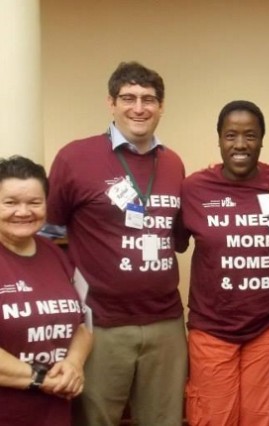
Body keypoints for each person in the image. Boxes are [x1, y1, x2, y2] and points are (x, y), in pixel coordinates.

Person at [47, 61, 187, 425]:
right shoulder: (75, 158)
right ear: (111, 103)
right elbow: (47, 235)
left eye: (149, 99)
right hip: (101, 325)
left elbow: (170, 232)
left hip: (166, 322)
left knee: (165, 419)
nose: (139, 108)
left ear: (162, 107)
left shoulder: (172, 163)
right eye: (128, 98)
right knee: (96, 420)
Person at [178, 100, 269, 426]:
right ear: (219, 139)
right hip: (212, 330)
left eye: (250, 135)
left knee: (263, 417)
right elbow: (176, 241)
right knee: (213, 418)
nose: (241, 144)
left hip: (268, 328)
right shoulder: (194, 189)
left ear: (262, 139)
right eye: (231, 135)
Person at [0, 156, 92, 426]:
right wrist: (39, 379)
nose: (23, 211)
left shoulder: (56, 253)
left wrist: (74, 364)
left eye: (34, 202)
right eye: (11, 202)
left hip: (54, 411)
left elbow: (84, 325)